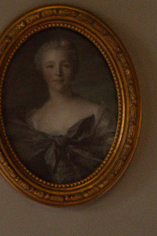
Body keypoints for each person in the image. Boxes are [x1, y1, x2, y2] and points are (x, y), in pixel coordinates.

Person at [7, 32, 117, 184]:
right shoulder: (33, 118)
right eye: (50, 66)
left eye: (65, 65)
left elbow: (113, 163)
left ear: (74, 70)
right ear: (41, 71)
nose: (57, 73)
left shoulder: (97, 113)